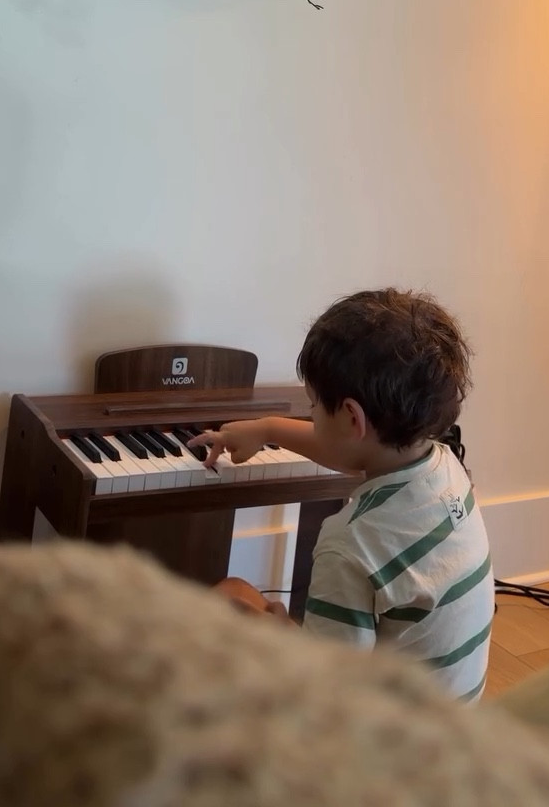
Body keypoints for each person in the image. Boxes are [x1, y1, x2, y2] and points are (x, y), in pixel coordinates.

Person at [189, 288, 495, 702]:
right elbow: (351, 451)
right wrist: (267, 429)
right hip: (450, 724)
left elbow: (326, 700)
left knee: (227, 602)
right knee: (241, 598)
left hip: (379, 753)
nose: (312, 417)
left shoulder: (352, 545)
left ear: (352, 417)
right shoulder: (443, 464)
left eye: (314, 407)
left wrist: (276, 632)